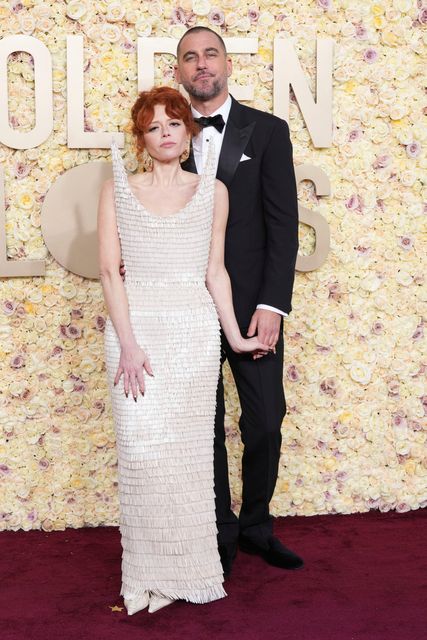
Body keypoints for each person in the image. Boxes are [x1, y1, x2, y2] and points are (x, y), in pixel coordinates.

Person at [98, 86, 269, 615]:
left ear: (187, 129)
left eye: (173, 123)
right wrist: (127, 344)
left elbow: (214, 272)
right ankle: (147, 570)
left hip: (194, 334)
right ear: (142, 139)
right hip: (137, 332)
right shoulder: (118, 190)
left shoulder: (213, 191)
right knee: (142, 453)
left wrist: (237, 338)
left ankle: (187, 570)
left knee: (188, 459)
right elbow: (109, 272)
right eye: (153, 127)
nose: (166, 133)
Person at [174, 26, 303, 576]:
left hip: (252, 309)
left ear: (227, 63)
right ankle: (220, 530)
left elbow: (283, 224)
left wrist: (273, 304)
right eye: (190, 58)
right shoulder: (163, 133)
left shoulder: (269, 131)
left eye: (210, 54)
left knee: (265, 421)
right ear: (178, 71)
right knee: (205, 426)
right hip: (186, 306)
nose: (201, 65)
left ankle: (256, 524)